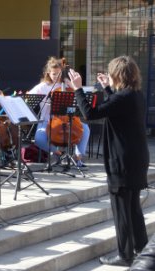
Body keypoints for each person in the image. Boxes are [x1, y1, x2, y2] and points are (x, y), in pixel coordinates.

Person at [70, 56, 148, 267]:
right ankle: (142, 249)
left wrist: (78, 89)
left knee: (122, 210)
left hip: (121, 162)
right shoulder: (135, 95)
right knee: (133, 208)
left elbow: (90, 113)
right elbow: (117, 107)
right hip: (136, 160)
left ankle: (125, 256)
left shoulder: (122, 98)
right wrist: (107, 89)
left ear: (117, 75)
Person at [27, 57, 90, 167]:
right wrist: (45, 102)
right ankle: (57, 153)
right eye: (54, 74)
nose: (57, 76)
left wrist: (71, 85)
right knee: (39, 139)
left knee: (85, 129)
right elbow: (28, 97)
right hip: (47, 120)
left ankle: (78, 157)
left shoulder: (67, 85)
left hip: (69, 120)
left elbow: (82, 96)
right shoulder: (43, 86)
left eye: (59, 73)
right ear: (48, 73)